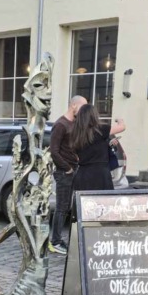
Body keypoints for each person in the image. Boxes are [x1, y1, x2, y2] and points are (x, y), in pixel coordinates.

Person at [48, 95, 87, 255]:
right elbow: (54, 151)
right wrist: (67, 168)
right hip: (64, 172)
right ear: (73, 105)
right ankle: (55, 241)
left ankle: (60, 240)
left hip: (73, 170)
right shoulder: (60, 124)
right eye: (83, 106)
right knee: (61, 207)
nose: (84, 110)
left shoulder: (74, 124)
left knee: (67, 207)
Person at [70, 104, 114, 193]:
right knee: (103, 203)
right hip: (101, 175)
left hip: (83, 174)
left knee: (83, 204)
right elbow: (122, 127)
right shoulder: (101, 129)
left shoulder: (75, 133)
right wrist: (119, 120)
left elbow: (76, 155)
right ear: (94, 115)